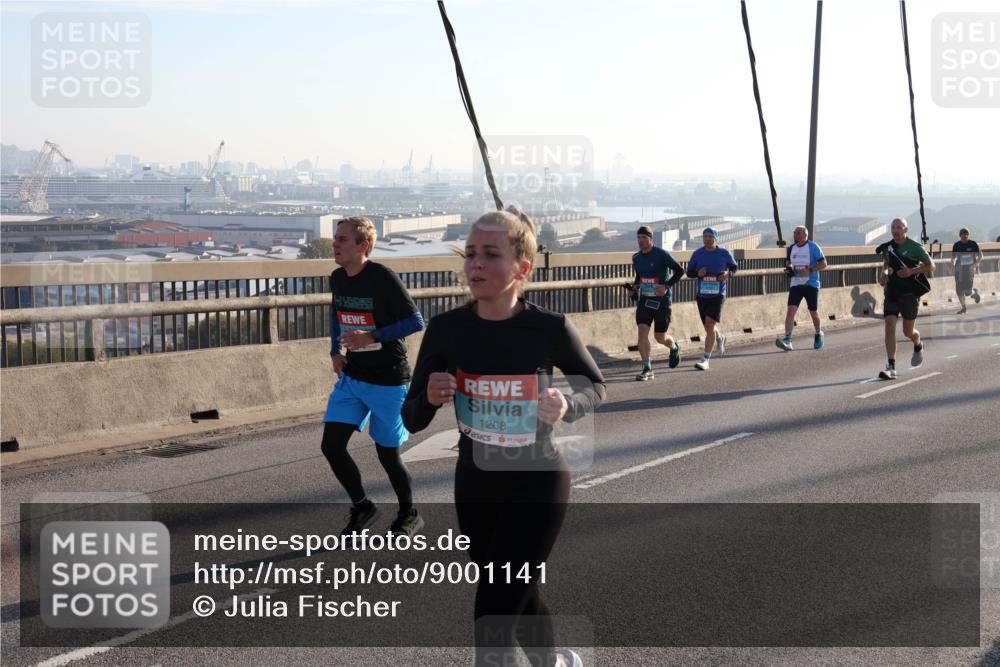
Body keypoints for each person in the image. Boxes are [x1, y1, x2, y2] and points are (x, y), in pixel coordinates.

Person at [403, 208, 605, 667]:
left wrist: (567, 403)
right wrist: (429, 399)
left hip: (537, 480)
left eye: (490, 254)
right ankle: (553, 662)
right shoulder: (447, 330)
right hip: (475, 483)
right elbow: (411, 418)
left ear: (522, 269)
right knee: (520, 591)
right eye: (470, 253)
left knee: (494, 605)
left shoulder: (549, 329)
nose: (475, 263)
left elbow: (595, 385)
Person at [321, 217, 426, 537]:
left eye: (342, 239)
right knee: (332, 445)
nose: (335, 244)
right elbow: (336, 314)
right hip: (353, 377)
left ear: (362, 246)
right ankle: (362, 506)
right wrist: (334, 352)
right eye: (335, 238)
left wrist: (372, 336)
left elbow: (416, 321)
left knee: (387, 454)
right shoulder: (338, 277)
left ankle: (410, 513)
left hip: (389, 380)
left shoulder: (383, 278)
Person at [876, 218, 934, 380]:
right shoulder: (888, 247)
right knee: (889, 325)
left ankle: (918, 343)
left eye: (898, 227)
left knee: (908, 331)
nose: (895, 230)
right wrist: (884, 276)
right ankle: (891, 366)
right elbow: (887, 264)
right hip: (892, 291)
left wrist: (911, 271)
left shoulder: (914, 247)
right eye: (893, 227)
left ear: (905, 229)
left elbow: (931, 266)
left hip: (909, 293)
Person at [626, 225, 684, 380]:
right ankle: (647, 367)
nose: (640, 241)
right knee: (642, 332)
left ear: (651, 239)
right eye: (638, 238)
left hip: (662, 302)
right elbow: (640, 277)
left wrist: (666, 286)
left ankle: (673, 346)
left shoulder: (662, 255)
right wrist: (634, 289)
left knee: (660, 337)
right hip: (645, 300)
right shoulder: (636, 258)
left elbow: (680, 271)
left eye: (644, 238)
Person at [685, 227, 738, 371]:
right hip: (702, 295)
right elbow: (689, 272)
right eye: (705, 237)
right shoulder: (697, 254)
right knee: (708, 327)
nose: (707, 239)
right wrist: (698, 273)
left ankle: (706, 359)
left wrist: (727, 274)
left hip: (718, 294)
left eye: (710, 237)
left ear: (715, 238)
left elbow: (734, 268)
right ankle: (720, 338)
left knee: (709, 325)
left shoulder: (724, 253)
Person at [775, 226, 828, 351]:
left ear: (805, 235)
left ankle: (818, 333)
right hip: (796, 284)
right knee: (790, 310)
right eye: (794, 233)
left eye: (798, 233)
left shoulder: (813, 247)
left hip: (811, 284)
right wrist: (789, 269)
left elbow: (824, 263)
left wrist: (809, 270)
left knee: (813, 312)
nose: (795, 235)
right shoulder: (791, 248)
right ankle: (788, 339)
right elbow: (789, 263)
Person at [951, 228, 982, 314]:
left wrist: (974, 265)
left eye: (966, 234)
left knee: (968, 291)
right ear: (960, 236)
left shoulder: (973, 244)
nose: (965, 236)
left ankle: (974, 293)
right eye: (963, 234)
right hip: (959, 270)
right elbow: (953, 258)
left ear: (968, 235)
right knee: (959, 290)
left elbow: (980, 256)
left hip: (969, 270)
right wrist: (953, 266)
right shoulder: (956, 245)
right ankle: (963, 307)